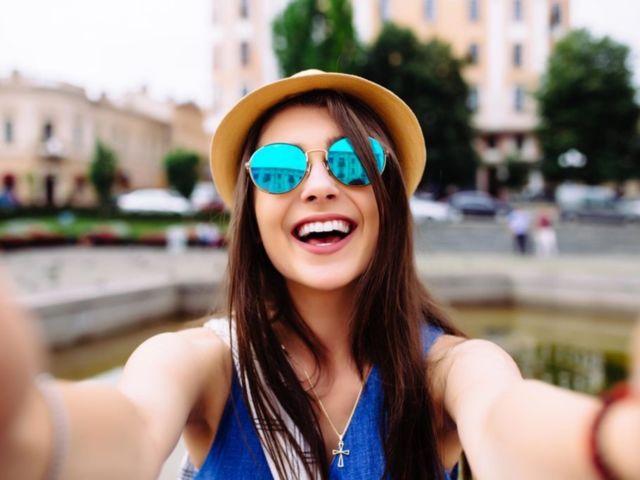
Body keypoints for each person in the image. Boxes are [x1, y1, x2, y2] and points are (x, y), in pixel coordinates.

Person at [0, 70, 639, 480]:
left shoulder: (450, 370)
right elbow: (130, 428)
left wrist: (613, 437)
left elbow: (504, 419)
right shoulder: (199, 364)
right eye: (279, 169)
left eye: (352, 162)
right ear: (253, 212)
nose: (319, 185)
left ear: (389, 201)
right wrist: (24, 428)